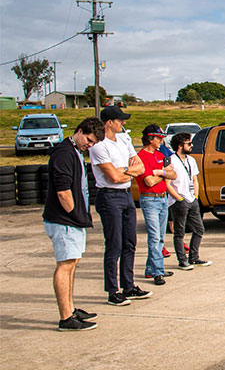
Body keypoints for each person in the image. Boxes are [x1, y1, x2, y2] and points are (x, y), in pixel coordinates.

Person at [44, 117, 104, 330]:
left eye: (93, 143)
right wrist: (76, 215)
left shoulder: (75, 152)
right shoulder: (64, 153)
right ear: (79, 131)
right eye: (88, 139)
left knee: (72, 264)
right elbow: (62, 191)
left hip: (71, 220)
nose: (90, 145)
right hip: (64, 220)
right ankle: (65, 318)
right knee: (65, 264)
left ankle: (70, 308)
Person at [89, 106, 151, 306]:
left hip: (125, 195)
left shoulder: (124, 139)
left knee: (129, 242)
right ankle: (112, 290)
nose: (123, 123)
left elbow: (140, 166)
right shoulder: (99, 145)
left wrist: (126, 170)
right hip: (109, 197)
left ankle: (129, 285)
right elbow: (113, 177)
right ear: (109, 122)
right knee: (114, 244)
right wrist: (129, 170)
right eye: (120, 120)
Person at [137, 125, 176, 286]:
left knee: (160, 236)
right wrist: (163, 173)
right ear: (150, 138)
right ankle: (157, 272)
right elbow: (148, 181)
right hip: (149, 199)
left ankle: (150, 269)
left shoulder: (160, 155)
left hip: (162, 198)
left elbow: (173, 174)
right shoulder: (140, 157)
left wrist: (160, 172)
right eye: (158, 138)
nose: (161, 141)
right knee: (154, 237)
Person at [167, 132, 210, 269]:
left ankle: (194, 257)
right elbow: (167, 183)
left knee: (199, 229)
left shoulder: (191, 160)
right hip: (179, 200)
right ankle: (182, 260)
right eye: (189, 144)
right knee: (180, 231)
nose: (192, 146)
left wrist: (195, 196)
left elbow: (195, 179)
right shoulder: (171, 160)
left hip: (192, 199)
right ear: (180, 145)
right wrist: (178, 198)